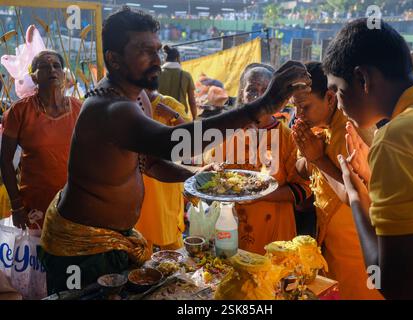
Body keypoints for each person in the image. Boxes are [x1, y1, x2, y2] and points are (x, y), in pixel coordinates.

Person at [38, 7, 311, 294]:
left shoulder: (136, 98)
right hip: (82, 249)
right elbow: (175, 143)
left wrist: (194, 177)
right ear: (114, 60)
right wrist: (261, 107)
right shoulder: (110, 109)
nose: (157, 60)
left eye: (157, 49)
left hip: (116, 240)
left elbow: (151, 163)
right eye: (144, 51)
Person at [323, 18, 413, 299]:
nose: (339, 105)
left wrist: (356, 198)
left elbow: (398, 286)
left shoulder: (398, 139)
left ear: (362, 79)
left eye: (338, 91)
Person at [291, 61, 383, 300]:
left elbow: (354, 195)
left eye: (304, 107)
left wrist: (319, 158)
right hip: (331, 247)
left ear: (330, 98)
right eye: (295, 108)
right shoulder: (322, 127)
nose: (298, 115)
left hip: (357, 254)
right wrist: (307, 149)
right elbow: (303, 170)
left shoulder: (350, 132)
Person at [204, 64, 312, 254]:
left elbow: (302, 189)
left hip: (274, 235)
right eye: (252, 90)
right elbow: (209, 174)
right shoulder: (224, 132)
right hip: (229, 228)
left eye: (266, 91)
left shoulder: (288, 137)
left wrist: (257, 194)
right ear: (241, 94)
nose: (259, 96)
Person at [0, 50, 82, 230]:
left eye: (56, 66)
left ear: (63, 73)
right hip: (35, 204)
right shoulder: (18, 111)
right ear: (34, 77)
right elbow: (5, 161)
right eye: (44, 67)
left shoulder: (80, 109)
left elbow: (92, 156)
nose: (52, 70)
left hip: (75, 202)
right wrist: (16, 206)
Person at [135, 90, 189, 252]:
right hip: (140, 182)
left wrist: (173, 116)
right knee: (143, 235)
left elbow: (190, 138)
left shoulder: (169, 104)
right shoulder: (131, 105)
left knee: (170, 234)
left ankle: (179, 273)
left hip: (166, 183)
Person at [157, 45, 197, 119]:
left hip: (160, 117)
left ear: (165, 59)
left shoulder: (157, 74)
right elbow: (192, 101)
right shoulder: (186, 75)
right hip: (180, 117)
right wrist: (195, 118)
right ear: (177, 58)